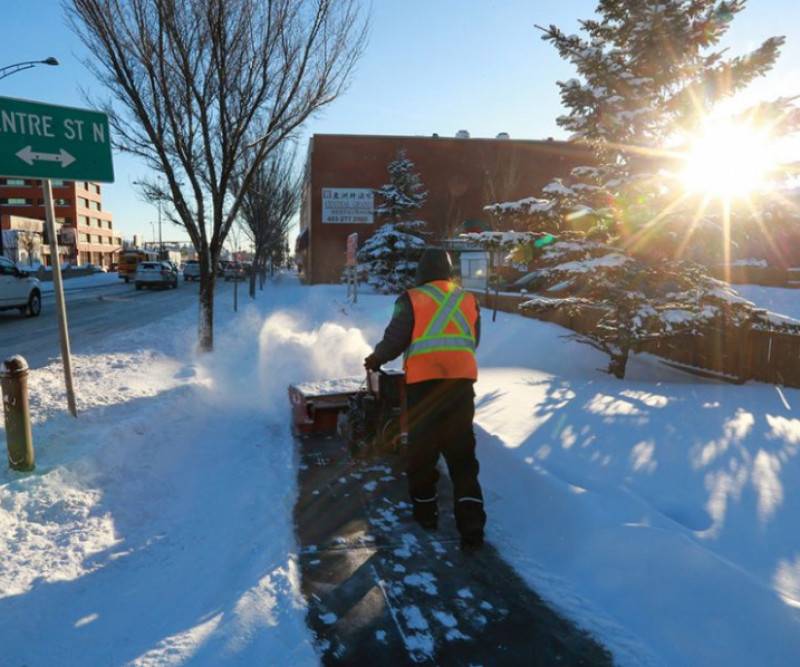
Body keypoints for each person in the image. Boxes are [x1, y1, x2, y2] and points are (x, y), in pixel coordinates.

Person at [364, 247, 486, 551]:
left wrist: (375, 359)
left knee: (422, 452)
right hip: (460, 387)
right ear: (448, 271)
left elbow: (396, 339)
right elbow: (473, 339)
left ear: (421, 272)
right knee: (462, 458)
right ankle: (471, 528)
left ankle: (426, 514)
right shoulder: (468, 299)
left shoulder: (410, 299)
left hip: (423, 389)